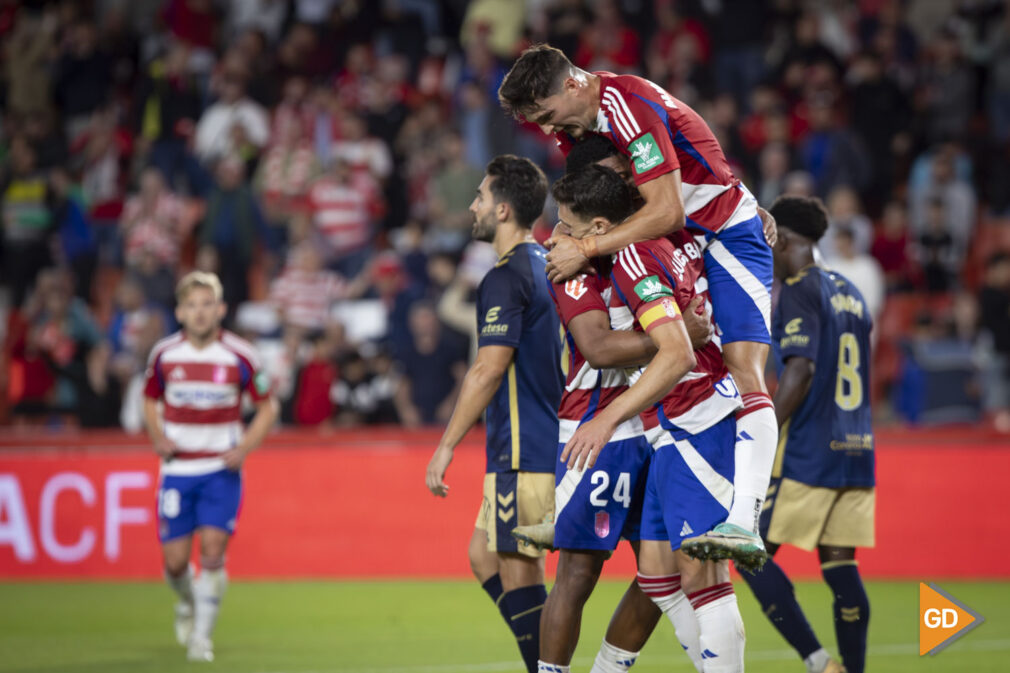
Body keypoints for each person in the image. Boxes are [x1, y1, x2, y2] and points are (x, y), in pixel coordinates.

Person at [498, 44, 777, 568]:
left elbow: (668, 210)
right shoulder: (576, 123)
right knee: (660, 353)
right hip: (673, 239)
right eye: (535, 121)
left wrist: (585, 248)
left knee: (742, 369)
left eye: (547, 114)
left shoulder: (627, 103)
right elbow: (595, 196)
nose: (547, 130)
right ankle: (603, 506)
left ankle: (746, 518)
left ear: (573, 84)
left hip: (719, 233)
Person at [513, 137, 713, 673]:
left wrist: (755, 212)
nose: (631, 177)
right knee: (579, 570)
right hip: (596, 422)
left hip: (658, 417)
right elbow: (598, 348)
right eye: (618, 170)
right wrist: (676, 336)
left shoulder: (642, 233)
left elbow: (707, 207)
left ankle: (608, 669)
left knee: (659, 569)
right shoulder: (568, 256)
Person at [555, 165, 747, 672]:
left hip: (696, 416)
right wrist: (757, 214)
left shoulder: (634, 257)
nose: (558, 237)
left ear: (599, 229)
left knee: (705, 578)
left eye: (567, 228)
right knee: (659, 573)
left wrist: (605, 418)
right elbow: (722, 206)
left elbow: (677, 352)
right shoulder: (671, 233)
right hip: (668, 425)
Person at [424, 155, 563, 673]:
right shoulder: (548, 265)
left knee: (522, 574)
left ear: (503, 210)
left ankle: (549, 668)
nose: (472, 206)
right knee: (484, 555)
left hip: (524, 450)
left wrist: (446, 444)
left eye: (480, 197)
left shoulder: (504, 278)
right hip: (544, 439)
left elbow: (487, 369)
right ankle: (549, 659)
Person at [740, 196, 874, 673]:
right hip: (856, 448)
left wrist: (763, 430)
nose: (766, 247)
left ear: (789, 240)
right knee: (841, 568)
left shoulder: (799, 288)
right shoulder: (850, 291)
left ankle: (819, 662)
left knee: (747, 551)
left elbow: (799, 369)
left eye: (770, 238)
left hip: (810, 451)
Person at [143, 271, 278, 662]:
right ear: (179, 312)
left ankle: (202, 636)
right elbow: (149, 399)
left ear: (220, 310)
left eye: (207, 305)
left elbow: (269, 406)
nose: (199, 313)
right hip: (177, 470)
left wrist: (245, 447)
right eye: (191, 306)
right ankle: (187, 601)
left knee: (214, 551)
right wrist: (157, 436)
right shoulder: (165, 355)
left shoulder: (241, 355)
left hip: (221, 470)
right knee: (176, 562)